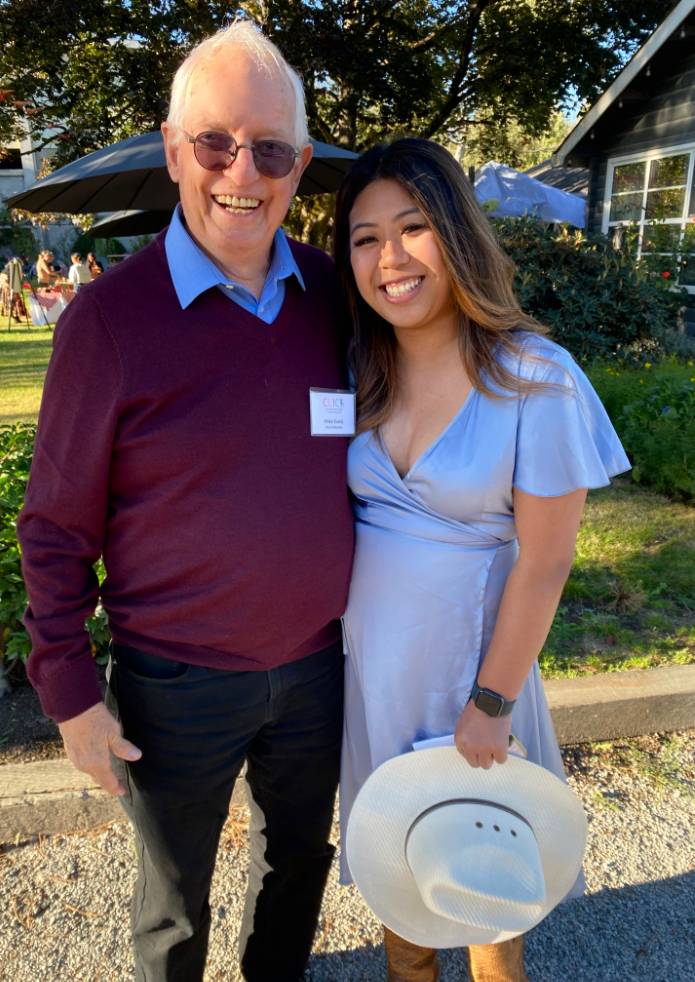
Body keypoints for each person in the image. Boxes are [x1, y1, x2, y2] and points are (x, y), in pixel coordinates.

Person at [17, 19, 354, 982]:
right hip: (175, 685)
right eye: (215, 141)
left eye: (273, 148)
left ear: (299, 164)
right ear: (173, 150)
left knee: (300, 864)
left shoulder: (335, 296)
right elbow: (53, 526)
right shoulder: (108, 322)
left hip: (316, 668)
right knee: (173, 902)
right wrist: (72, 694)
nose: (242, 171)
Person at [333, 138, 630, 982]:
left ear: (456, 234)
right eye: (363, 238)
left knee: (481, 883)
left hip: (472, 680)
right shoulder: (356, 371)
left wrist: (491, 702)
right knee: (399, 879)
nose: (388, 258)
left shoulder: (535, 377)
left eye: (412, 227)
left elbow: (544, 563)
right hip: (370, 680)